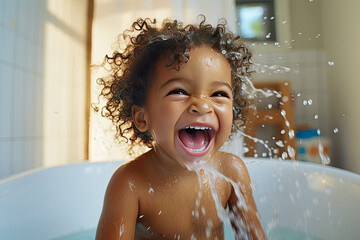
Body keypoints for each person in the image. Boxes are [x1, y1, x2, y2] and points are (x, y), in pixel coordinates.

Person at [95, 16, 266, 240]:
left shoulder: (231, 172)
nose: (203, 105)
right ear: (141, 116)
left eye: (218, 94)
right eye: (179, 91)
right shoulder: (130, 183)